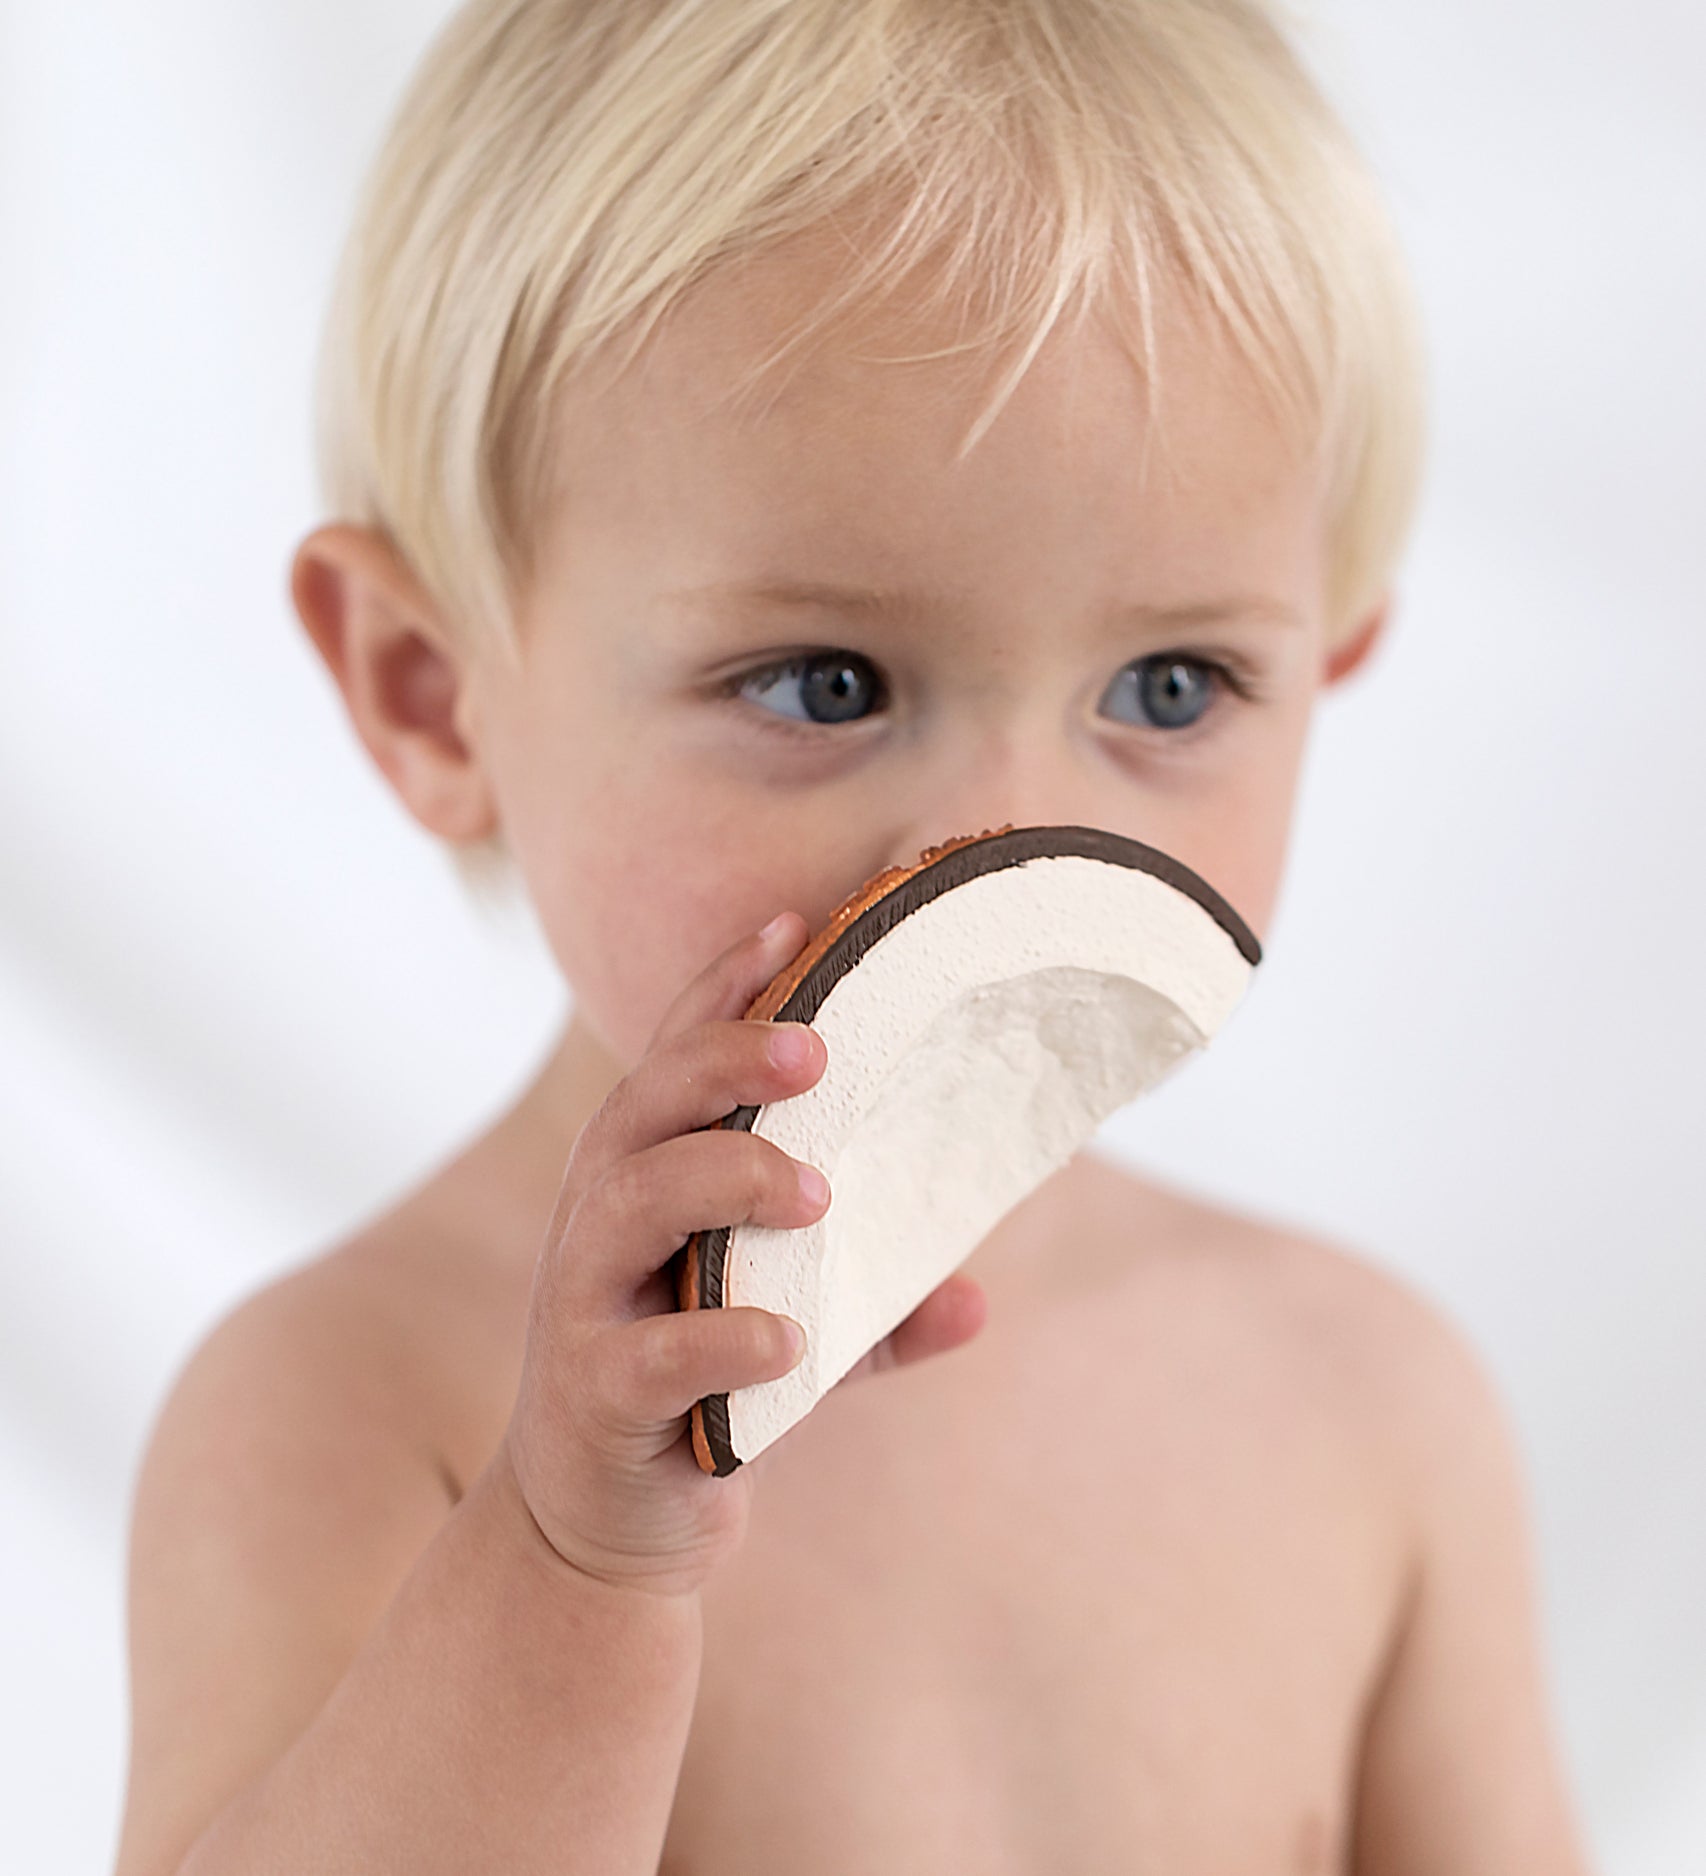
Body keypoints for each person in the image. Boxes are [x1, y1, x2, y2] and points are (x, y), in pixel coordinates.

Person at [114, 1, 1595, 1869]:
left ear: (1327, 668)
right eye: (826, 682)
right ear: (434, 693)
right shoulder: (352, 1408)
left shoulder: (1368, 1406)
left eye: (1168, 681)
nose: (1000, 842)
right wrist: (569, 1560)